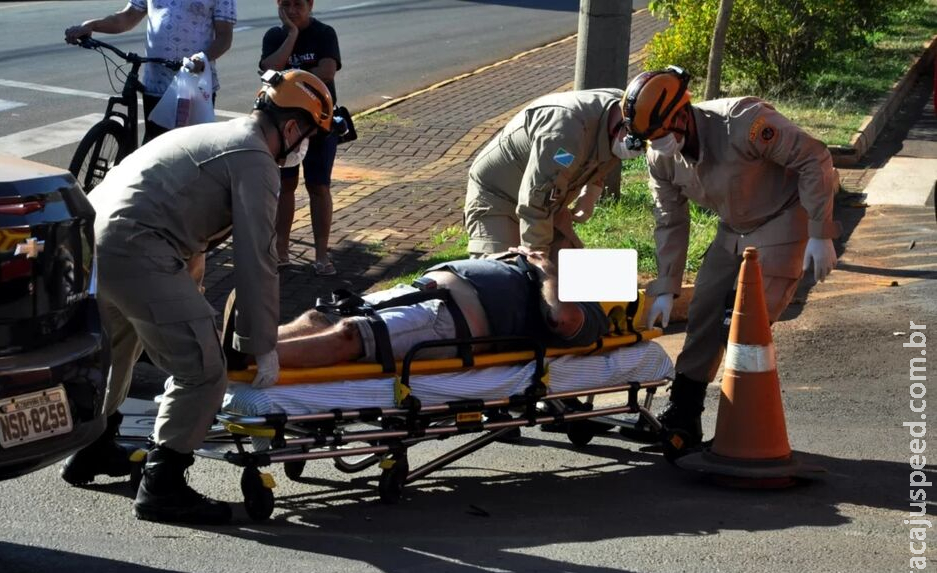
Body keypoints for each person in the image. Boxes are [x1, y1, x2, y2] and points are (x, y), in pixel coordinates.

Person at [60, 70, 334, 525]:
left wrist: (190, 293)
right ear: (291, 128)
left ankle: (92, 447)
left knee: (118, 349)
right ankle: (163, 486)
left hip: (94, 242)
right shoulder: (255, 160)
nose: (303, 146)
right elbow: (257, 259)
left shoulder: (217, 134)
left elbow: (190, 231)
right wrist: (260, 344)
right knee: (204, 372)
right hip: (137, 247)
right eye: (307, 134)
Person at [623, 66, 840, 447]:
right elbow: (669, 219)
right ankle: (684, 414)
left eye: (660, 134)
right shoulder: (661, 156)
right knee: (705, 309)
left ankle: (746, 429)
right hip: (733, 229)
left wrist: (820, 234)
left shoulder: (743, 122)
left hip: (784, 217)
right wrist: (666, 286)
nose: (657, 145)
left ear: (680, 114)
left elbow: (814, 159)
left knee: (746, 325)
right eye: (649, 139)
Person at [226, 249, 609, 370]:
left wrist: (547, 273)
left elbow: (563, 319)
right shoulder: (538, 273)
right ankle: (240, 345)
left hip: (449, 321)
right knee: (320, 317)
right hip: (422, 292)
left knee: (351, 335)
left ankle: (247, 359)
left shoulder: (587, 309)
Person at [464, 88, 642, 262]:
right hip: (498, 197)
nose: (639, 150)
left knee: (580, 281)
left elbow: (600, 151)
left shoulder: (627, 108)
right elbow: (535, 202)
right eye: (637, 142)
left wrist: (590, 192)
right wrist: (537, 260)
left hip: (548, 201)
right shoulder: (564, 133)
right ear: (624, 122)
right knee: (503, 278)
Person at [64, 0, 237, 143]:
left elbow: (224, 38)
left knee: (191, 149)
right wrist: (92, 25)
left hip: (193, 85)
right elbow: (126, 18)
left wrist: (202, 58)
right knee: (155, 144)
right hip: (156, 83)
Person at [260, 0, 341, 273]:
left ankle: (321, 255)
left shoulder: (324, 33)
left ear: (310, 5)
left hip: (318, 123)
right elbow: (268, 70)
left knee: (318, 187)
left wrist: (286, 78)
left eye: (298, 4)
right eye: (286, 4)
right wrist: (291, 35)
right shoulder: (274, 35)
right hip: (282, 127)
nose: (292, 10)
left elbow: (327, 71)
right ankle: (281, 251)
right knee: (285, 187)